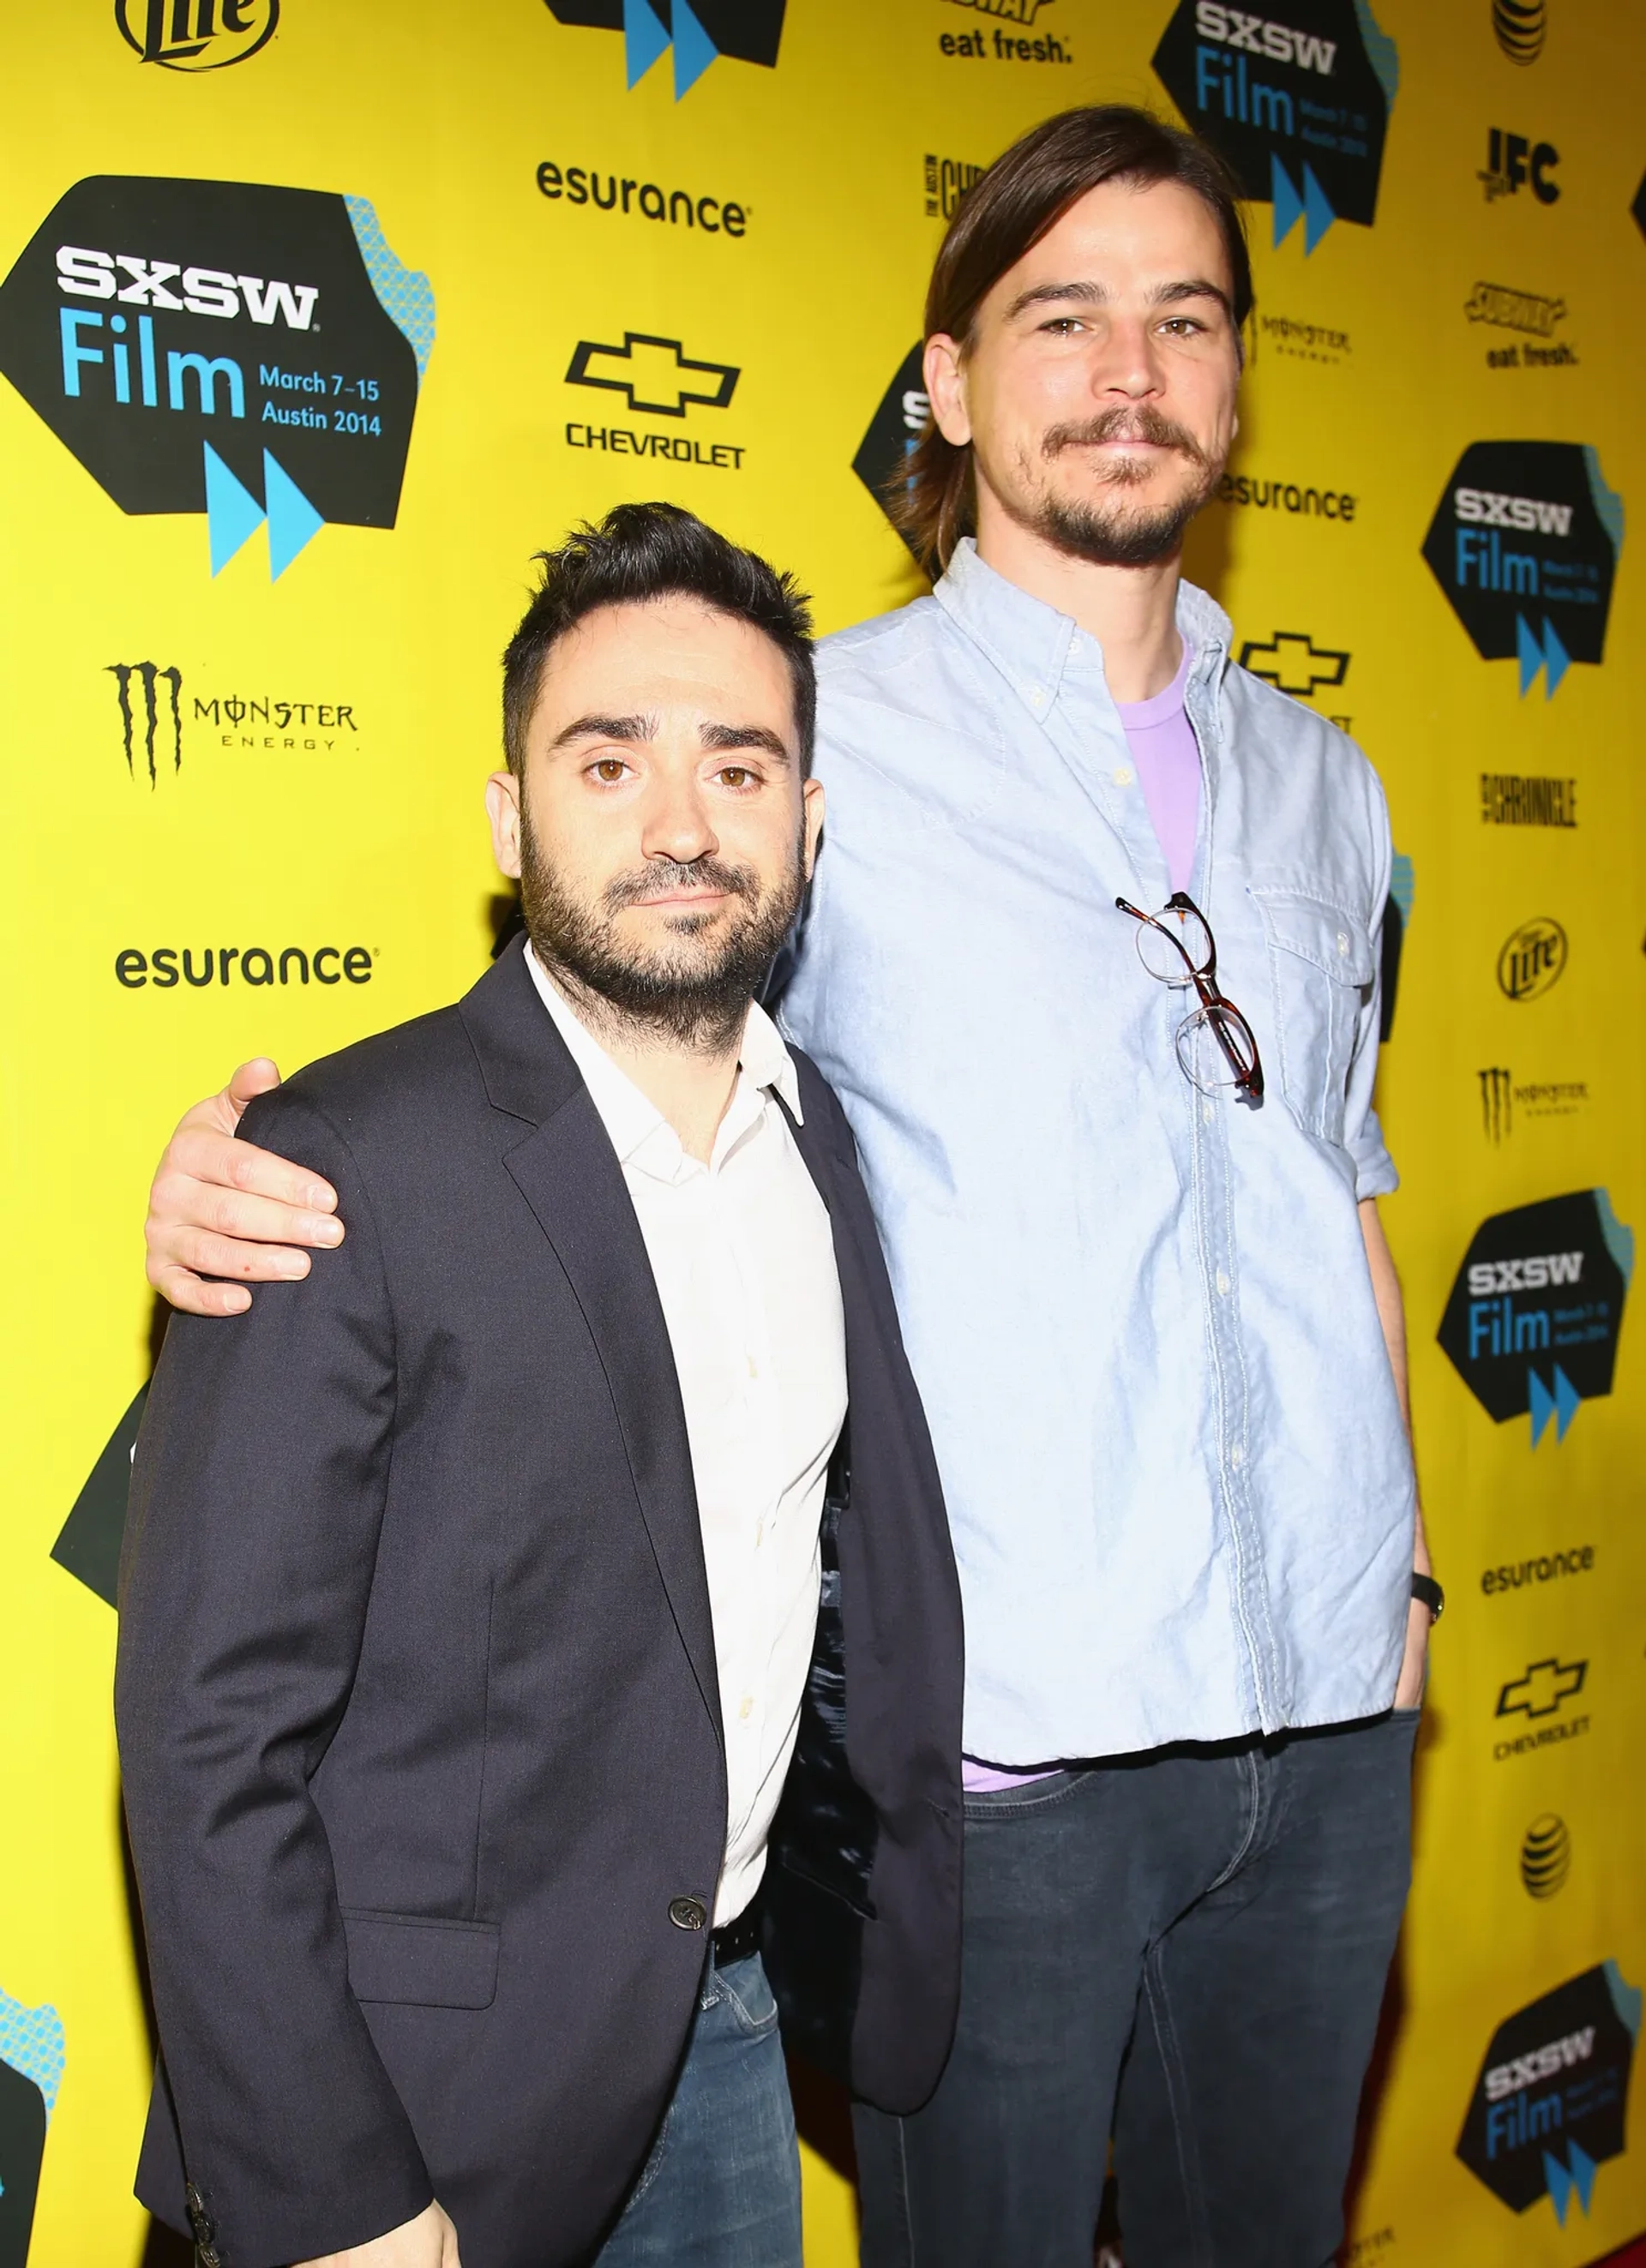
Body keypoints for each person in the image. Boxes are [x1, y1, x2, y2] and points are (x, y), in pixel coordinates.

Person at [142, 106, 1434, 2268]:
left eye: (1186, 319)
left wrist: (1393, 1583)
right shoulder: (825, 738)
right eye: (1063, 317)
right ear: (944, 382)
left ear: (1233, 382)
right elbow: (588, 1042)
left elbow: (1345, 1190)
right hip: (1013, 1760)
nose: (1131, 372)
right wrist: (228, 1180)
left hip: (1330, 1719)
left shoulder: (1330, 775)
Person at [116, 504, 963, 2268]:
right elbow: (205, 1739)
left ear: (809, 824)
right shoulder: (335, 1165)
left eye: (740, 767)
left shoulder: (827, 1158)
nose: (679, 826)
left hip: (721, 2040)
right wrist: (331, 2190)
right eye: (608, 760)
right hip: (406, 2102)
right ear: (510, 818)